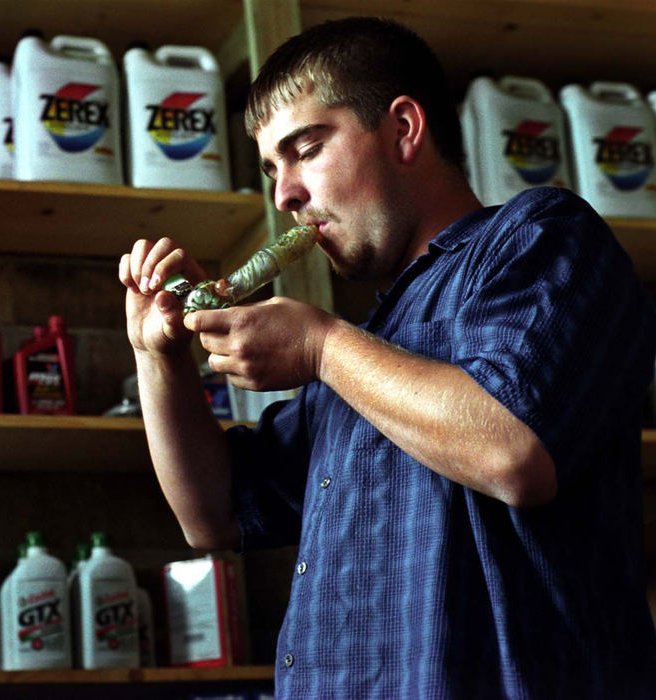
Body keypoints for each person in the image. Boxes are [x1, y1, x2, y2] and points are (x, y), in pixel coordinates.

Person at [119, 16, 655, 698]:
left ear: (403, 129)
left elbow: (512, 451)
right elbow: (213, 516)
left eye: (305, 149)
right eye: (271, 168)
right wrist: (156, 357)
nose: (283, 194)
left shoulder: (542, 237)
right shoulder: (373, 337)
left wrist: (319, 345)